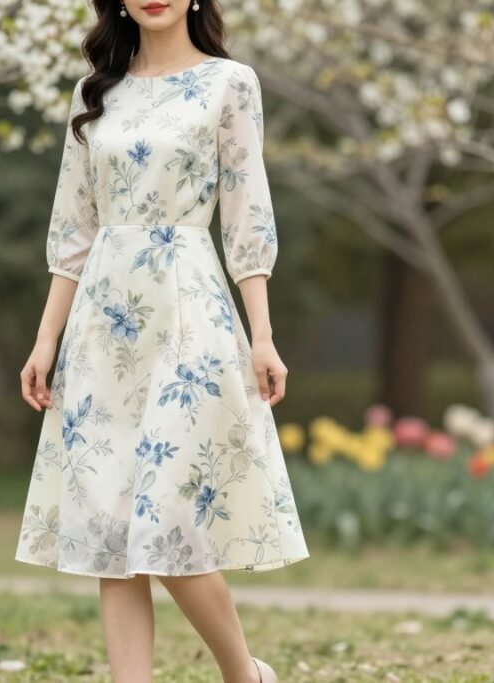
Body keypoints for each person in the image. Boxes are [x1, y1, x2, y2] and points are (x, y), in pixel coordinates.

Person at [16, 1, 309, 681]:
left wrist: (262, 335)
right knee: (111, 520)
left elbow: (246, 214)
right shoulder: (96, 95)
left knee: (168, 512)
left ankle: (244, 673)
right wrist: (44, 340)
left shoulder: (229, 84)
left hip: (188, 312)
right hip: (101, 321)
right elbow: (73, 229)